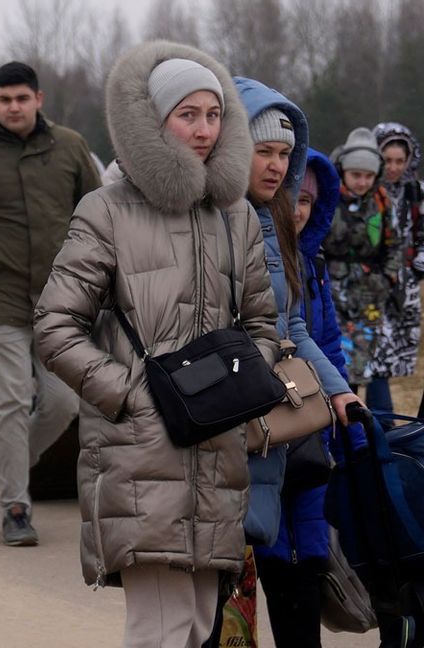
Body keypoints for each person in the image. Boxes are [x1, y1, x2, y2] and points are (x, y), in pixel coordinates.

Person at [35, 42, 279, 646]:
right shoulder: (107, 210)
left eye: (214, 115)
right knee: (160, 630)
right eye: (187, 115)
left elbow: (263, 325)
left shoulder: (237, 216)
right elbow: (54, 326)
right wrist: (132, 394)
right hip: (138, 450)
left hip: (218, 455)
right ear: (153, 120)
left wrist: (241, 388)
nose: (203, 130)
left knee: (195, 625)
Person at [0, 61, 99, 546]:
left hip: (59, 297)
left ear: (38, 99)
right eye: (4, 100)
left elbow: (97, 219)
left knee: (62, 401)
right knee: (9, 401)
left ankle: (13, 467)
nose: (14, 107)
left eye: (21, 99)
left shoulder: (69, 147)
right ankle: (15, 506)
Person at [232, 78, 361, 647]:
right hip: (229, 424)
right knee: (228, 593)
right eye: (264, 151)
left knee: (297, 560)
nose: (277, 166)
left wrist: (339, 392)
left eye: (285, 154)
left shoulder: (278, 224)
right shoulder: (214, 223)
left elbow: (296, 328)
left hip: (282, 422)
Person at [323, 127, 399, 396]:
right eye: (356, 175)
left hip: (370, 297)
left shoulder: (381, 202)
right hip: (333, 294)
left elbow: (394, 245)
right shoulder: (327, 198)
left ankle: (381, 426)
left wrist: (386, 278)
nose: (362, 182)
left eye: (368, 176)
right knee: (339, 365)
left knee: (373, 364)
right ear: (343, 170)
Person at [370, 122, 423, 410]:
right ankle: (381, 432)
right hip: (369, 288)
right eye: (387, 160)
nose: (393, 167)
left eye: (399, 161)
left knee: (389, 363)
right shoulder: (365, 190)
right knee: (375, 360)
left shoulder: (417, 193)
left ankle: (391, 437)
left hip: (405, 290)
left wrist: (416, 269)